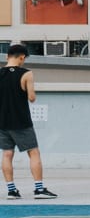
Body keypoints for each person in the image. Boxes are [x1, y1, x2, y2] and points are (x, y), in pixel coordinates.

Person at [0, 44, 55, 199]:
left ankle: (11, 191)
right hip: (21, 121)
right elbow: (31, 98)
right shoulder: (27, 74)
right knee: (34, 152)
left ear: (7, 56)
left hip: (2, 122)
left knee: (7, 154)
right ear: (22, 57)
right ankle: (39, 189)